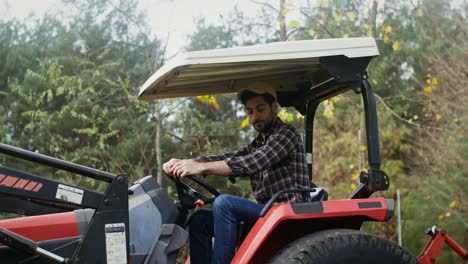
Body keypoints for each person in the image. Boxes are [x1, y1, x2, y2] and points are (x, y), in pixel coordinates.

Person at [162, 81, 311, 264]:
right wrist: (190, 162)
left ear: (274, 107)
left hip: (287, 214)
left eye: (260, 109)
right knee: (199, 219)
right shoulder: (259, 143)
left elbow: (252, 163)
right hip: (268, 212)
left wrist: (201, 167)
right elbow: (231, 156)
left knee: (224, 203)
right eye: (250, 111)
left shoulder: (286, 135)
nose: (255, 116)